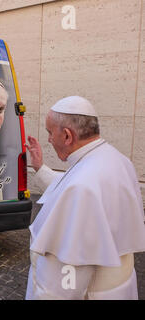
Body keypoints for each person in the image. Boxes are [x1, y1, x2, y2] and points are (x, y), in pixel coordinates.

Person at [25, 96, 145, 299]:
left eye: (50, 132)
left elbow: (64, 282)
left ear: (67, 136)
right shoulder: (116, 159)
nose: (49, 140)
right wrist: (40, 168)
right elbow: (70, 184)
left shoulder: (81, 186)